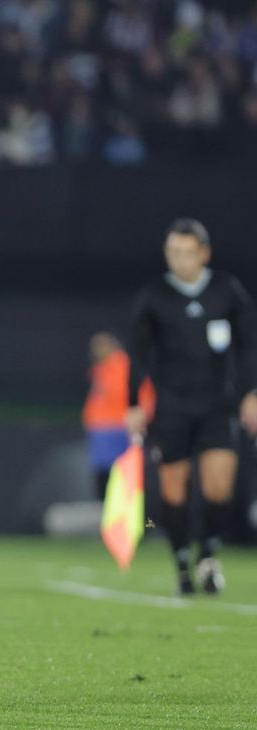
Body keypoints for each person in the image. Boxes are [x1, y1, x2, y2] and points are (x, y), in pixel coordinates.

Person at [126, 218, 257, 595]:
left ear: (204, 253)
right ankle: (182, 561)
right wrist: (134, 402)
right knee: (174, 493)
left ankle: (209, 555)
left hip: (218, 405)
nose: (178, 260)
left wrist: (251, 392)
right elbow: (139, 354)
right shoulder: (155, 296)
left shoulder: (226, 290)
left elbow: (248, 344)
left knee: (220, 489)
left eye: (186, 252)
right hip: (172, 408)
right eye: (172, 252)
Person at [83, 332, 154, 497]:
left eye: (100, 345)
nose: (96, 350)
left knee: (122, 474)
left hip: (118, 428)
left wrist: (141, 419)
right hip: (103, 430)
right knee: (104, 474)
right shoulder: (102, 368)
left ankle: (128, 513)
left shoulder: (124, 365)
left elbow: (143, 396)